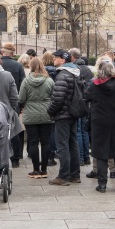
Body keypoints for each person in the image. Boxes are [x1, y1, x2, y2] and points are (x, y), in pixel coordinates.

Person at [85, 59, 115, 193]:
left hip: (100, 123)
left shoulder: (94, 85)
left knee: (101, 153)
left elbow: (86, 97)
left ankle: (102, 185)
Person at [47, 49, 81, 186]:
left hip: (63, 114)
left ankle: (63, 176)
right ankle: (75, 174)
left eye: (56, 57)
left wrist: (50, 111)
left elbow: (58, 98)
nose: (54, 59)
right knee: (73, 144)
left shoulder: (62, 75)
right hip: (73, 113)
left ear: (62, 60)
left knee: (62, 145)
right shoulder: (75, 73)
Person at [18, 57, 54, 178]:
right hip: (46, 113)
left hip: (30, 114)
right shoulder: (49, 81)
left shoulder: (26, 81)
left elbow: (21, 98)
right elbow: (54, 97)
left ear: (31, 67)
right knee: (45, 142)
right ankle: (44, 170)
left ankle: (35, 169)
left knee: (33, 142)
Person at [0, 42, 26, 167]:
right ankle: (15, 158)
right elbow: (22, 85)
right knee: (14, 130)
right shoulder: (18, 65)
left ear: (2, 52)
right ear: (12, 53)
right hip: (13, 102)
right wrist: (21, 103)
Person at [69, 48, 93, 167]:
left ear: (73, 57)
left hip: (77, 103)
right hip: (86, 103)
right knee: (84, 130)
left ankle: (80, 158)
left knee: (77, 131)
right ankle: (87, 157)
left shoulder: (74, 69)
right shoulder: (88, 69)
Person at [42, 51, 57, 166]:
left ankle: (45, 155)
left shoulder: (42, 73)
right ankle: (52, 154)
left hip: (42, 105)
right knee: (53, 130)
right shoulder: (57, 72)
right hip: (54, 103)